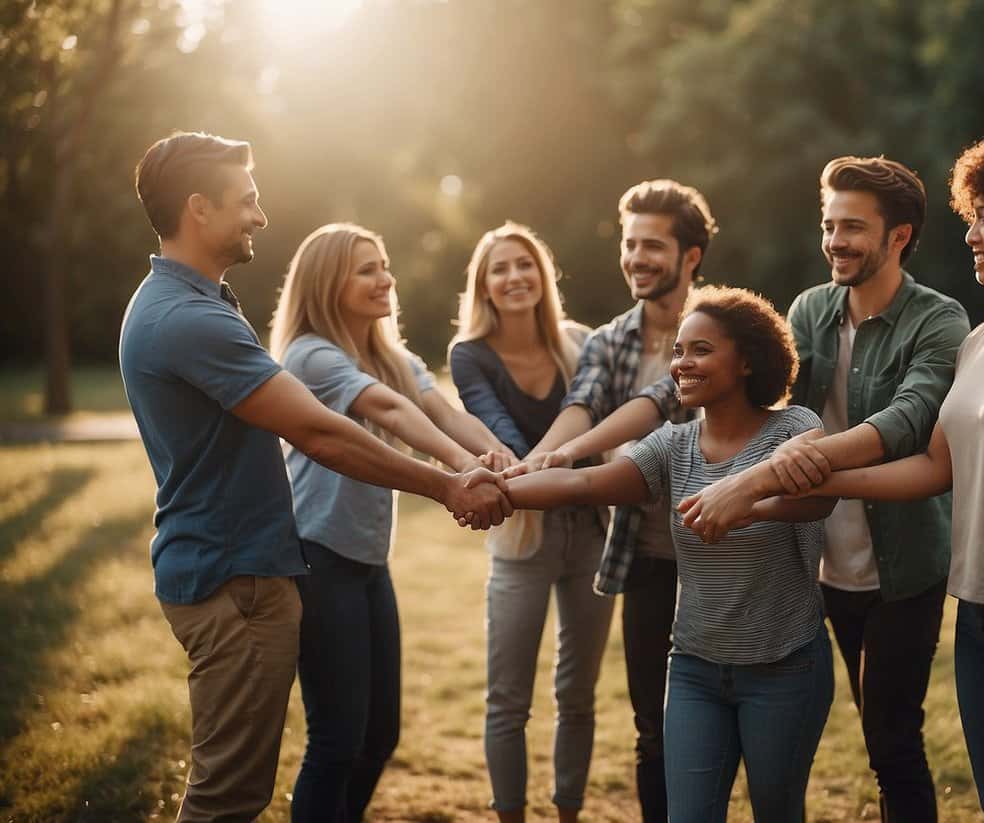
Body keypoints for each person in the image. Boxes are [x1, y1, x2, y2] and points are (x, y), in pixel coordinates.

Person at [742, 127, 984, 822]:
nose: (972, 234)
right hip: (978, 614)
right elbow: (930, 469)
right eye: (973, 216)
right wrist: (802, 480)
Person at [119, 132, 509, 822]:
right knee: (228, 796)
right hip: (231, 580)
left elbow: (419, 401)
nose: (261, 215)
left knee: (251, 784)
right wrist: (449, 484)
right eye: (248, 200)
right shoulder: (189, 318)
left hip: (245, 570)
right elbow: (322, 431)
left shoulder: (195, 304)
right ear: (198, 209)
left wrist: (490, 458)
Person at [678, 156, 970, 821]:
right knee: (866, 728)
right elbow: (769, 405)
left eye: (853, 227)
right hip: (823, 564)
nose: (835, 240)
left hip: (904, 568)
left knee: (892, 742)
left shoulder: (939, 321)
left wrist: (755, 480)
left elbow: (904, 422)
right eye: (829, 224)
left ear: (898, 236)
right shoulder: (811, 308)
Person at [487, 286, 836, 821]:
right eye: (678, 350)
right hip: (695, 669)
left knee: (777, 811)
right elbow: (584, 486)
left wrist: (748, 505)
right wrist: (495, 490)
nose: (682, 363)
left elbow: (818, 500)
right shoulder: (671, 444)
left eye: (701, 350)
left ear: (745, 360)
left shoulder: (794, 428)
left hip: (784, 667)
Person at [269, 223, 513, 821]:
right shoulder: (309, 354)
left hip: (367, 562)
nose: (386, 279)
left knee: (379, 737)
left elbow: (440, 411)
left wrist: (506, 463)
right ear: (328, 283)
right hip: (318, 556)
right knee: (336, 741)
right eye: (366, 269)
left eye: (384, 264)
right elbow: (387, 407)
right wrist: (460, 473)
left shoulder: (389, 354)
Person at [510, 179, 719, 822]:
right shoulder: (607, 340)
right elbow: (584, 408)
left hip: (721, 552)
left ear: (691, 256)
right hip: (647, 556)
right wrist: (537, 461)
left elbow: (655, 404)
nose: (636, 258)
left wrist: (565, 458)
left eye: (653, 245)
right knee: (651, 726)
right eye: (629, 244)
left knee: (714, 726)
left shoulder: (726, 326)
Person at [448, 222, 615, 823]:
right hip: (522, 540)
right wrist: (543, 465)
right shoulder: (469, 355)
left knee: (577, 695)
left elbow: (598, 417)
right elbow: (500, 439)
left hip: (593, 535)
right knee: (507, 698)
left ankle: (569, 812)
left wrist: (538, 469)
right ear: (484, 286)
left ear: (542, 275)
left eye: (524, 264)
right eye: (500, 269)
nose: (514, 276)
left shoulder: (584, 343)